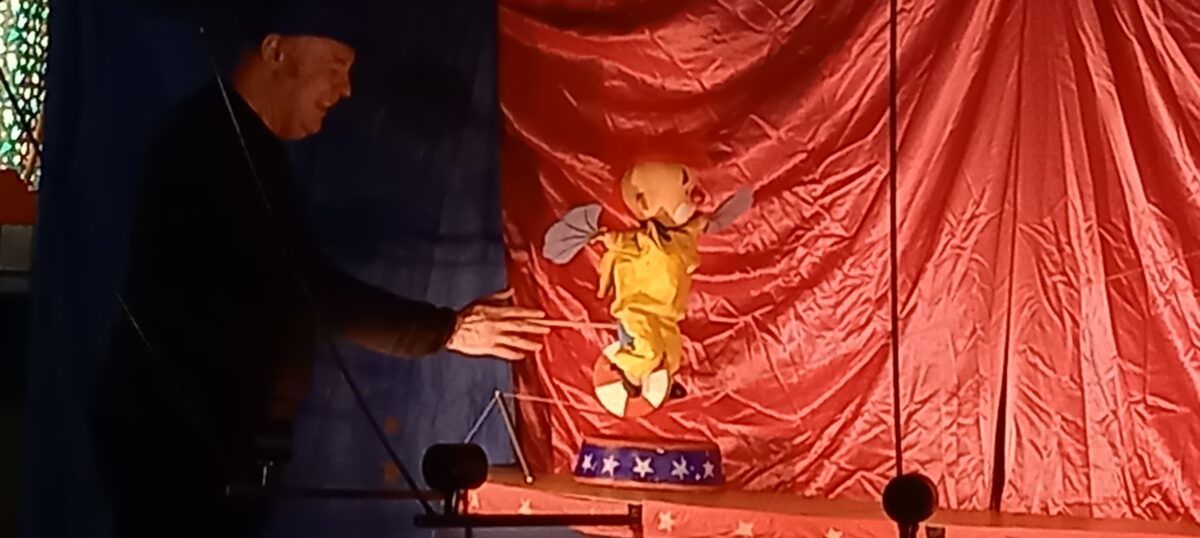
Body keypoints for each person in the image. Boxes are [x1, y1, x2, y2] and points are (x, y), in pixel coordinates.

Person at [90, 4, 546, 537]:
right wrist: (447, 330)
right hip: (179, 442)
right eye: (335, 65)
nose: (346, 89)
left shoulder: (247, 146)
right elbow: (302, 286)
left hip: (221, 439)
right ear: (276, 50)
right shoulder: (211, 144)